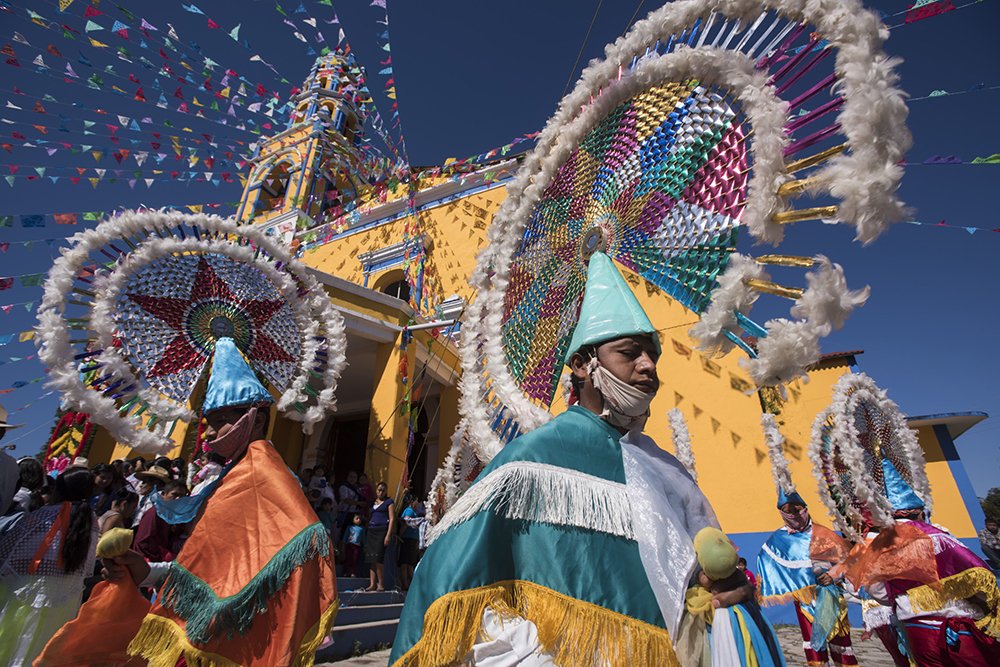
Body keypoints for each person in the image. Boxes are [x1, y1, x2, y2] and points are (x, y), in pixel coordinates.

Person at [391, 252, 779, 666]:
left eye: (652, 356)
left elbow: (704, 575)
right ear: (581, 364)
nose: (648, 367)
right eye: (630, 353)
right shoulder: (530, 458)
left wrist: (730, 590)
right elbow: (446, 583)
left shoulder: (668, 469)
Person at [122, 337, 338, 666]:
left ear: (256, 420)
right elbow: (212, 564)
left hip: (241, 639)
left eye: (220, 421)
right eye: (208, 423)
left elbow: (293, 550)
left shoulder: (268, 478)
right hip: (204, 632)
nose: (209, 433)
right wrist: (149, 573)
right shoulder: (226, 478)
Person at [847, 459, 1000, 666]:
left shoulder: (878, 543)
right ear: (918, 511)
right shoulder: (937, 535)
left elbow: (878, 591)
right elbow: (979, 575)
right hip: (958, 626)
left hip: (918, 630)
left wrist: (905, 596)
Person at [0, 467, 98, 666]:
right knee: (44, 647)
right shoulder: (91, 521)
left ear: (58, 491)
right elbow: (86, 568)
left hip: (30, 590)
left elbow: (10, 550)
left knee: (16, 641)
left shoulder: (43, 515)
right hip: (67, 595)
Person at [757, 490, 857, 666]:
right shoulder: (779, 538)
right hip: (804, 602)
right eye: (788, 511)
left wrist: (832, 576)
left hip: (831, 596)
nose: (794, 515)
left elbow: (847, 561)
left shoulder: (823, 534)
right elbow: (766, 563)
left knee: (841, 645)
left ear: (805, 508)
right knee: (814, 648)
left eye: (797, 509)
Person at [133, 480, 189, 562]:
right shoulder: (154, 513)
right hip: (146, 562)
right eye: (174, 495)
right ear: (163, 494)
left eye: (182, 496)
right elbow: (143, 543)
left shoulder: (174, 515)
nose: (178, 499)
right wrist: (165, 556)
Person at [366, 481, 395, 592]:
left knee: (378, 557)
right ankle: (372, 584)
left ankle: (381, 583)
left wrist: (388, 535)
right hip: (371, 531)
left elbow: (392, 519)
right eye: (379, 490)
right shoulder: (373, 502)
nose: (381, 492)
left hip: (381, 531)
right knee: (371, 557)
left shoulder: (389, 502)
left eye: (383, 490)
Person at [398, 495, 422, 591]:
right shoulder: (409, 511)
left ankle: (410, 583)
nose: (418, 504)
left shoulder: (413, 511)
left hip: (412, 539)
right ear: (412, 501)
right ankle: (405, 583)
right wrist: (400, 535)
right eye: (416, 501)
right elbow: (405, 523)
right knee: (406, 562)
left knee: (410, 562)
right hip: (408, 539)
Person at [343, 513, 364, 578]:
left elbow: (363, 538)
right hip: (349, 544)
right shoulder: (349, 528)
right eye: (357, 518)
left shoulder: (362, 529)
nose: (359, 520)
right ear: (353, 520)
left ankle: (353, 572)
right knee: (348, 558)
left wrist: (365, 545)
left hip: (357, 546)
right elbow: (345, 537)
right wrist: (343, 545)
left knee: (354, 559)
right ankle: (346, 571)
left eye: (360, 519)